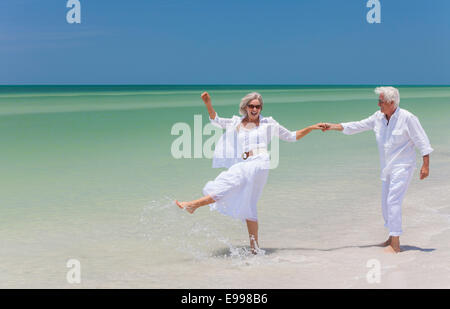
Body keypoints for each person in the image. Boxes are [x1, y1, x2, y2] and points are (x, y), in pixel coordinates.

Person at [175, 91, 325, 253]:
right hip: (245, 163)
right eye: (251, 106)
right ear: (245, 107)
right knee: (249, 204)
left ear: (261, 108)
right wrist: (208, 103)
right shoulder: (235, 122)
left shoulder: (269, 123)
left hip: (260, 163)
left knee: (228, 183)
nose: (255, 109)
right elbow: (216, 120)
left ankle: (193, 205)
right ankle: (255, 248)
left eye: (258, 106)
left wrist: (311, 127)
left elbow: (291, 136)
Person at [322, 86, 433, 253]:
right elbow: (357, 126)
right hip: (386, 168)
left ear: (391, 102)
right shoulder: (378, 117)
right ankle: (391, 236)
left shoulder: (408, 118)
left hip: (403, 166)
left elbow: (422, 141)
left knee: (393, 201)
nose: (378, 105)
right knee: (385, 203)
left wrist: (426, 165)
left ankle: (395, 244)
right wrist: (332, 126)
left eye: (380, 101)